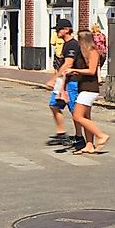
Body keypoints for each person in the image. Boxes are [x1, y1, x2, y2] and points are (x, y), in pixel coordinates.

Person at [69, 29, 109, 154]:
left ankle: (101, 135)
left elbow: (92, 71)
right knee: (86, 117)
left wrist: (75, 70)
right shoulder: (83, 53)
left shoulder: (93, 52)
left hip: (90, 88)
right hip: (83, 86)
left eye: (79, 40)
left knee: (77, 115)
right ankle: (89, 145)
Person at [44, 20, 82, 149]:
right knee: (54, 105)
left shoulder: (72, 45)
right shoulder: (66, 44)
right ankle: (61, 133)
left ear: (66, 29)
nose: (56, 32)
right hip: (63, 81)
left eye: (58, 29)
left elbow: (68, 64)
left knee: (75, 111)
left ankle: (79, 137)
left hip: (72, 81)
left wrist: (54, 79)